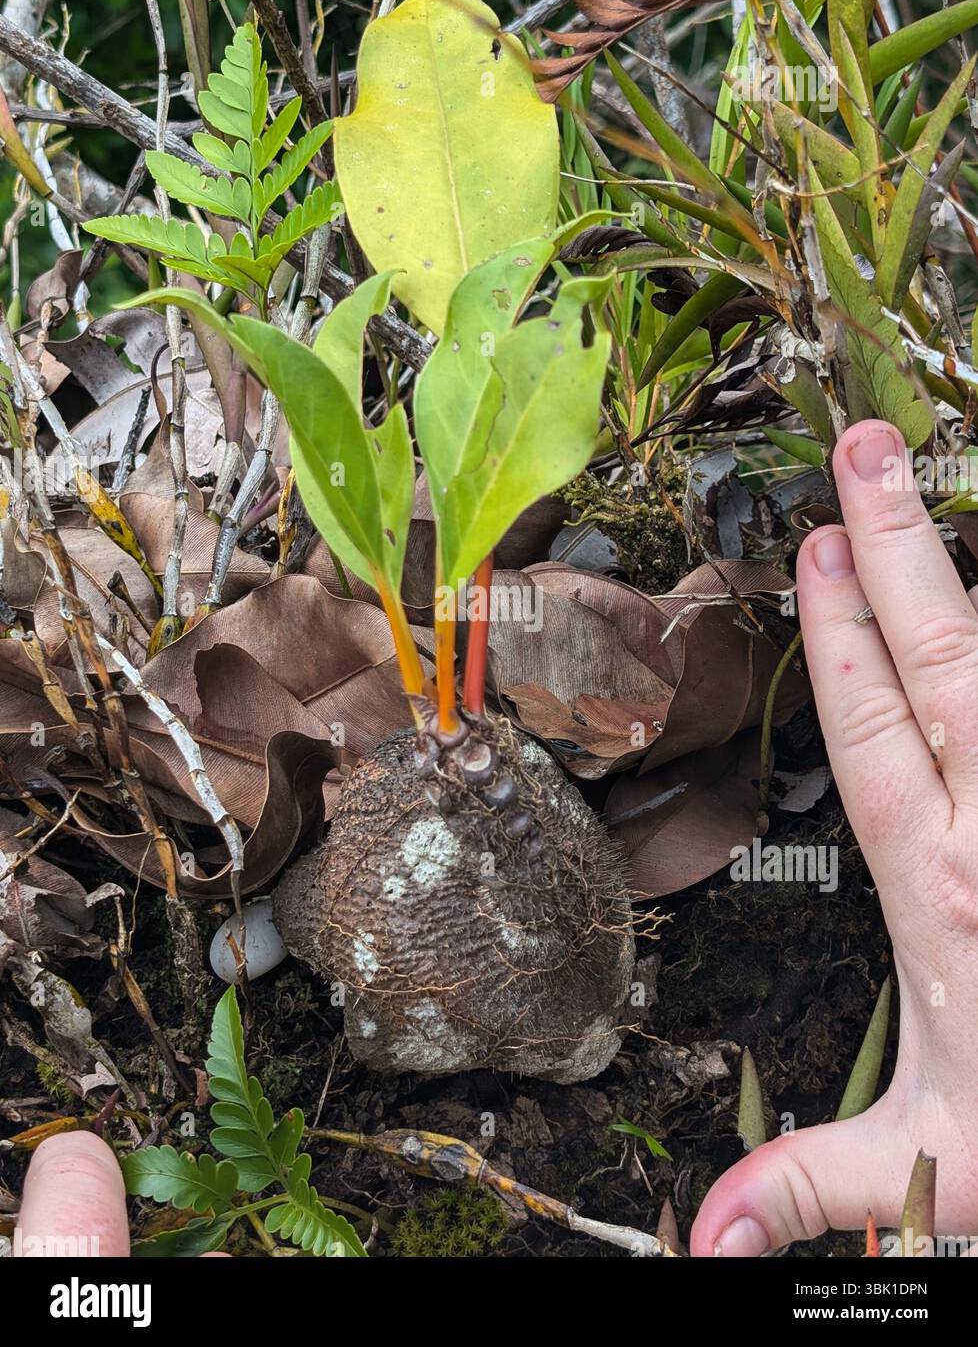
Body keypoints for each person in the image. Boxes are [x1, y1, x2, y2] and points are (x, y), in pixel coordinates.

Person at [13, 420, 978, 1258]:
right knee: (339, 922)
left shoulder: (490, 907)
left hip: (492, 922)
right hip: (425, 869)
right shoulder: (363, 881)